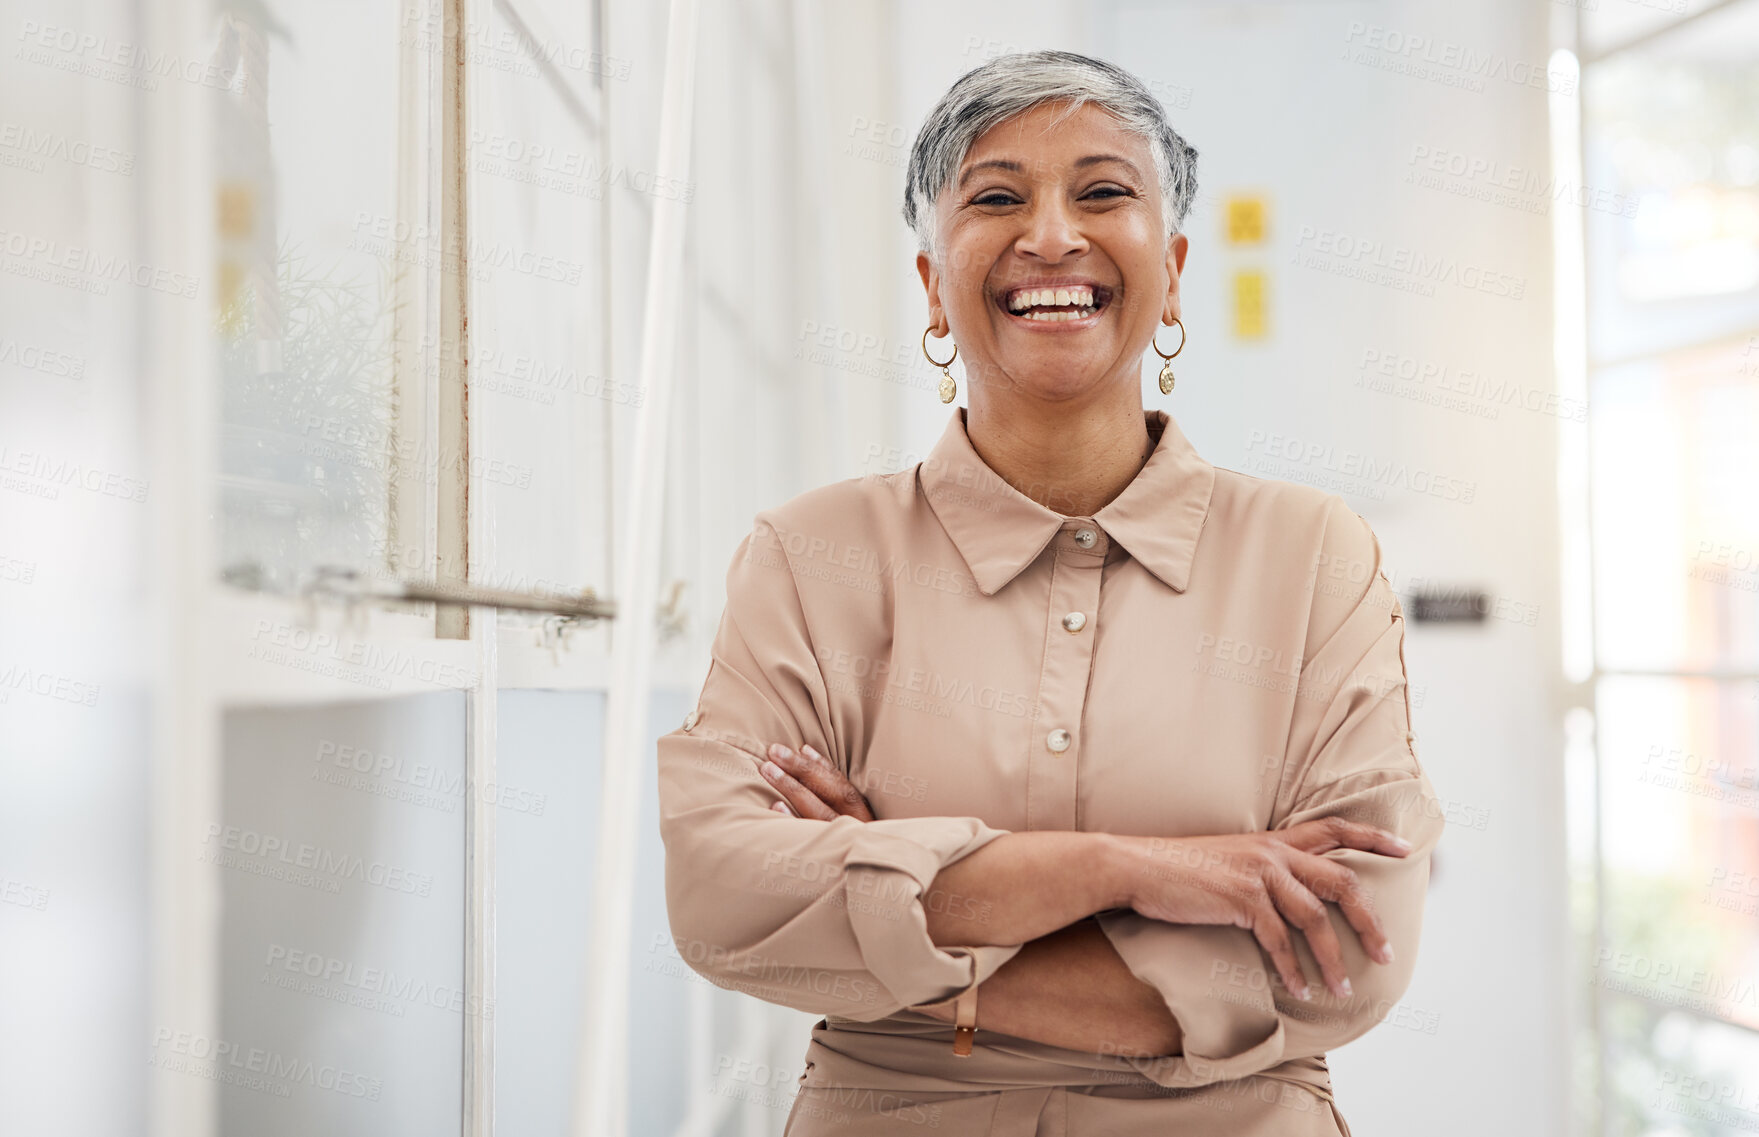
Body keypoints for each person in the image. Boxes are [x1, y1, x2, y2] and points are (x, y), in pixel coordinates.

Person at [656, 49, 1443, 1135]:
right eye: (996, 197)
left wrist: (896, 919)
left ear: (1169, 269)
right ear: (934, 285)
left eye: (1104, 191)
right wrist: (1137, 872)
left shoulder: (1311, 553)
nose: (1053, 235)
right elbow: (722, 899)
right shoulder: (809, 554)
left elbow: (1348, 954)